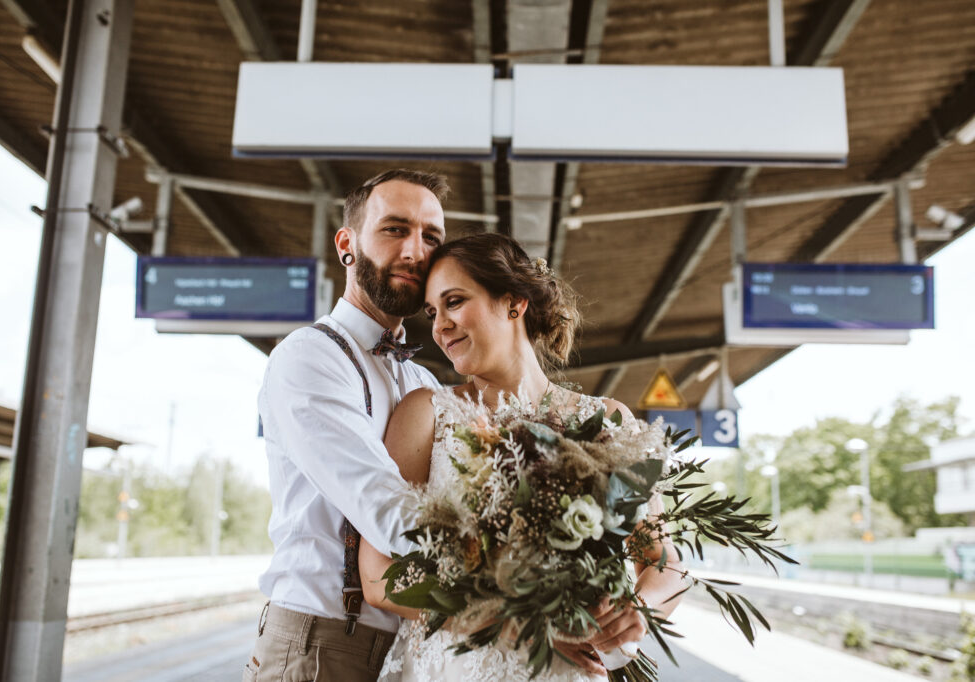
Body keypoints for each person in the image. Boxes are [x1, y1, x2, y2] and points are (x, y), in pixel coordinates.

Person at [358, 233, 686, 680]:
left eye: (454, 302)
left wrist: (637, 611)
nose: (439, 326)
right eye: (433, 312)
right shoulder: (427, 413)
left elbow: (665, 564)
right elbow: (379, 577)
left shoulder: (610, 421)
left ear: (514, 303)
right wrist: (530, 628)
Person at [244, 169, 450, 682]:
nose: (414, 251)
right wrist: (524, 584)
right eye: (394, 229)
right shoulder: (308, 356)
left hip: (413, 645)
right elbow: (386, 508)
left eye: (431, 237)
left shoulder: (422, 379)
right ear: (347, 244)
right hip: (321, 643)